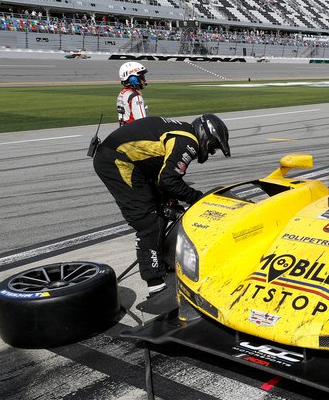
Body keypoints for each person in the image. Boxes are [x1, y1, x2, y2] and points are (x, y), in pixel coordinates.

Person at [93, 115, 230, 313]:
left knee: (165, 209)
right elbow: (169, 181)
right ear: (204, 135)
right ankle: (155, 285)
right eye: (213, 145)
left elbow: (161, 175)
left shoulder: (183, 134)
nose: (211, 151)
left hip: (126, 160)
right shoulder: (188, 141)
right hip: (116, 161)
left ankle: (162, 261)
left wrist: (169, 201)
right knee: (148, 221)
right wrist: (198, 199)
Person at [117, 61, 148, 126]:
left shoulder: (123, 93)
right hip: (135, 133)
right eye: (142, 77)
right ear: (133, 79)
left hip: (124, 130)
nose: (144, 81)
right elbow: (142, 122)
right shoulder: (135, 97)